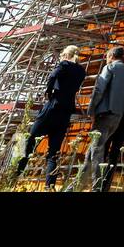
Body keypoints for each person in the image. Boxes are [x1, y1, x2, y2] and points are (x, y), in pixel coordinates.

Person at [16, 44, 86, 189]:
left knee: (28, 141)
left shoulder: (65, 64)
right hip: (66, 112)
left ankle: (15, 174)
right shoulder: (81, 71)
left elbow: (53, 75)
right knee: (53, 153)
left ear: (66, 55)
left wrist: (48, 91)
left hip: (53, 107)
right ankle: (50, 186)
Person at [87, 46, 124, 190]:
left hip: (104, 114)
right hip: (117, 117)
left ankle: (96, 187)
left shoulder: (109, 68)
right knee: (92, 149)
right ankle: (81, 180)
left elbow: (99, 89)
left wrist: (91, 110)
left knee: (97, 151)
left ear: (111, 56)